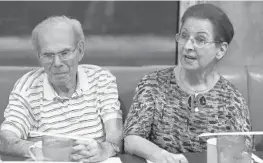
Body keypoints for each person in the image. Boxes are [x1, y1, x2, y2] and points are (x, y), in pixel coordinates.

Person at [124, 3, 252, 163]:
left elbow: (242, 152)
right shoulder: (153, 85)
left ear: (221, 50)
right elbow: (131, 138)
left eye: (200, 39)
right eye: (184, 36)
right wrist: (159, 155)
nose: (188, 46)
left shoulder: (232, 99)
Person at [0, 16, 123, 163]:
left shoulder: (101, 79)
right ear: (39, 57)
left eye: (65, 53)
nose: (57, 63)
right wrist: (38, 150)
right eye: (48, 55)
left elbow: (115, 135)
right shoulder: (27, 87)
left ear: (80, 50)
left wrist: (105, 149)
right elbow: (5, 139)